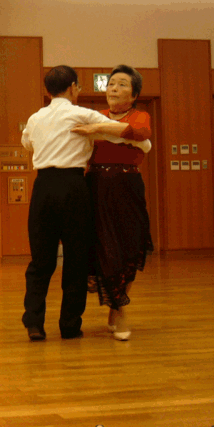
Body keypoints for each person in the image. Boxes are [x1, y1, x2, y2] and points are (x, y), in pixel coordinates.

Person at [21, 65, 151, 342]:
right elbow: (131, 136)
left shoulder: (35, 117)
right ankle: (69, 325)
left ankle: (34, 324)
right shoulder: (83, 114)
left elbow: (27, 144)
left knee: (40, 260)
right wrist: (106, 132)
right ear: (72, 88)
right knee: (76, 259)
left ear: (47, 90)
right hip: (74, 187)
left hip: (44, 187)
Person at [73, 65, 153, 342]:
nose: (114, 89)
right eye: (111, 84)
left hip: (128, 187)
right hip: (96, 186)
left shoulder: (139, 115)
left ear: (134, 95)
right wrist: (101, 126)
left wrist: (98, 129)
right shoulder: (97, 115)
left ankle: (116, 306)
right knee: (103, 249)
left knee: (130, 247)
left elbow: (140, 132)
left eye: (122, 84)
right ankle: (118, 310)